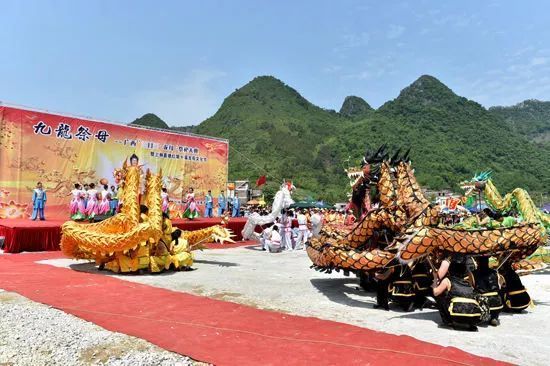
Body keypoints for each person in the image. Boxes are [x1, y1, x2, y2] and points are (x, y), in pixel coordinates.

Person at [433, 256, 483, 331]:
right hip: (473, 316)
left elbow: (435, 292)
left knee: (441, 297)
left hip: (456, 316)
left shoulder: (448, 280)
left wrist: (435, 279)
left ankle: (448, 321)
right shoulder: (468, 282)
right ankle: (468, 322)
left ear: (450, 269)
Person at [471, 256, 503, 326]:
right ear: (488, 262)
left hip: (484, 302)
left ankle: (481, 316)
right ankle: (494, 317)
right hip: (497, 303)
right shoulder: (495, 272)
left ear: (477, 262)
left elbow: (472, 287)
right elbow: (499, 286)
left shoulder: (473, 273)